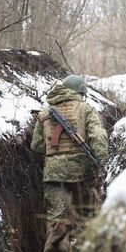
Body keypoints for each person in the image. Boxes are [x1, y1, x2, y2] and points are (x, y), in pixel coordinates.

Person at [31, 74, 108, 239]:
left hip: (53, 174)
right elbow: (99, 136)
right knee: (86, 217)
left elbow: (36, 145)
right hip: (83, 173)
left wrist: (54, 153)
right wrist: (101, 161)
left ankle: (55, 245)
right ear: (80, 92)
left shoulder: (45, 112)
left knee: (56, 218)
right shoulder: (86, 108)